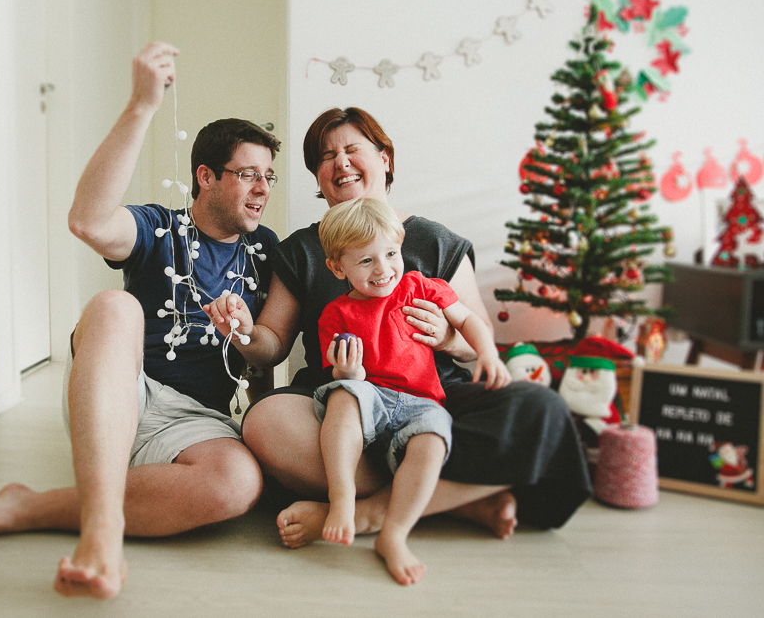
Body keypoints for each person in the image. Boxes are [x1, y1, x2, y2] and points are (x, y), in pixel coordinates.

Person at [0, 42, 281, 600]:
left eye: (269, 176)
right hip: (124, 392)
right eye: (248, 174)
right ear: (206, 177)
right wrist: (142, 105)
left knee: (238, 484)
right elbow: (87, 219)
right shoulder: (159, 226)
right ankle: (101, 533)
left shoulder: (266, 251)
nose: (264, 189)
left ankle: (28, 507)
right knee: (114, 305)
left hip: (196, 421)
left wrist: (243, 332)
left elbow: (269, 355)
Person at [203, 106, 590, 551]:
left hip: (434, 398)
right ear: (318, 178)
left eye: (352, 149)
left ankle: (369, 513)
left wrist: (447, 337)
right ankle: (458, 500)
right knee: (265, 421)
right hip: (341, 401)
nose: (340, 163)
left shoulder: (435, 241)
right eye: (326, 157)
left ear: (384, 158)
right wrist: (245, 332)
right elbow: (271, 345)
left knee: (541, 409)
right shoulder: (301, 251)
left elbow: (477, 334)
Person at [320, 197, 511, 584]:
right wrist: (349, 372)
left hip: (421, 402)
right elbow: (340, 371)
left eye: (391, 253)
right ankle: (341, 498)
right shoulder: (337, 313)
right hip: (370, 394)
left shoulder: (418, 287)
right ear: (337, 267)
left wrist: (488, 353)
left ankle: (393, 534)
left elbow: (468, 320)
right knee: (342, 394)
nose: (383, 269)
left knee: (434, 440)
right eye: (366, 260)